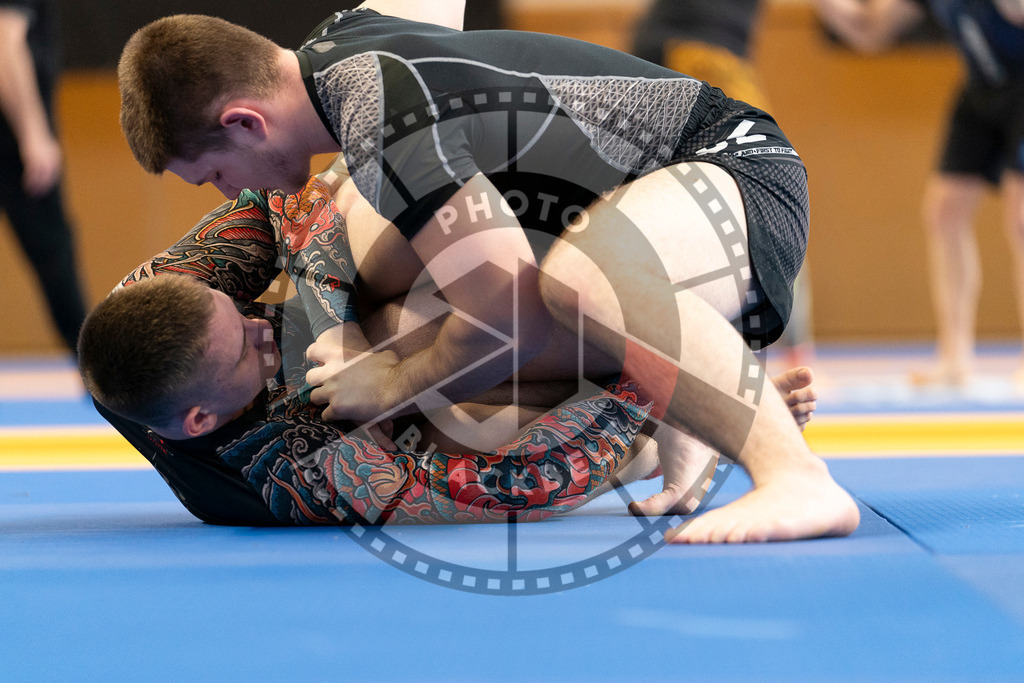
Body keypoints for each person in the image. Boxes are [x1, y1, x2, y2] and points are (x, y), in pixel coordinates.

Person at [116, 2, 859, 542]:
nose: (227, 191)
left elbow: (515, 319)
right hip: (649, 200)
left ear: (247, 121)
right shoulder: (340, 43)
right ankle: (682, 389)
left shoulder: (386, 135)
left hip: (731, 176)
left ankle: (794, 475)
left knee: (565, 284)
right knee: (410, 287)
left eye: (212, 172)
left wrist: (390, 380)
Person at [78, 172, 818, 527]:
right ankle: (682, 396)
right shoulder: (304, 473)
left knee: (369, 204)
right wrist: (649, 396)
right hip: (442, 422)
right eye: (245, 345)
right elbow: (526, 484)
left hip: (388, 341)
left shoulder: (152, 295)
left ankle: (680, 381)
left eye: (241, 308)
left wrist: (335, 325)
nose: (259, 323)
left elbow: (294, 197)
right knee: (453, 399)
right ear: (202, 418)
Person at [816, 0, 1024, 387]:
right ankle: (955, 356)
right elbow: (868, 34)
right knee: (944, 212)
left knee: (1020, 217)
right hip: (982, 91)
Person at [630, 0, 817, 371]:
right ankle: (794, 354)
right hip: (701, 53)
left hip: (660, 49)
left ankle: (665, 347)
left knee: (658, 195)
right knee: (770, 186)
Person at [0, 0, 87, 353]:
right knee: (53, 250)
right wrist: (32, 133)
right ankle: (97, 371)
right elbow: (5, 40)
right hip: (9, 143)